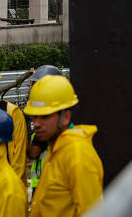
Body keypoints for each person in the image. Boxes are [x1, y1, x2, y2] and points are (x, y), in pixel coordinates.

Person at [24, 75, 103, 216]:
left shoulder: (78, 155)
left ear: (65, 117)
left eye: (45, 116)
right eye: (34, 117)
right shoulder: (56, 148)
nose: (36, 123)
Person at [25, 65, 62, 202]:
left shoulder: (55, 128)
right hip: (39, 186)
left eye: (36, 86)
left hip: (52, 191)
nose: (31, 90)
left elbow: (33, 152)